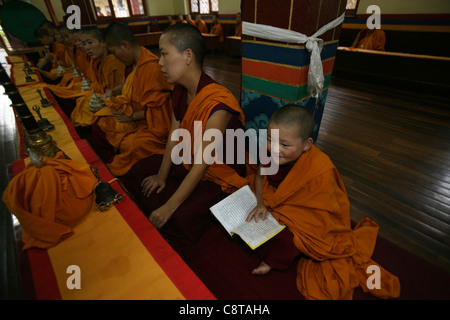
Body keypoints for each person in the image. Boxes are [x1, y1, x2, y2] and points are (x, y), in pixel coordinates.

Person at [245, 105, 400, 300]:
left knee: (291, 241)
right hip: (278, 203)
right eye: (270, 140)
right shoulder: (268, 154)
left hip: (308, 220)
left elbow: (329, 210)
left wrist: (291, 219)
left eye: (284, 145)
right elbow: (259, 177)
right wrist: (260, 203)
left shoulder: (320, 169)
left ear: (307, 145)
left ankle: (272, 262)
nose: (274, 149)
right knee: (257, 220)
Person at [119, 23, 248, 246]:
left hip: (219, 174)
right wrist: (161, 175)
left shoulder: (218, 104)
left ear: (188, 56)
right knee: (140, 169)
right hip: (189, 161)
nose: (159, 63)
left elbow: (203, 163)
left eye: (164, 54)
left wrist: (170, 206)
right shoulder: (179, 90)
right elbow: (174, 136)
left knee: (179, 218)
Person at [88, 23, 173, 178]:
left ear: (124, 45)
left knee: (131, 144)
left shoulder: (151, 68)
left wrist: (131, 117)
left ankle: (112, 170)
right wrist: (112, 91)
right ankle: (104, 158)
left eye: (114, 52)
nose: (114, 57)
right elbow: (128, 83)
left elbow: (160, 114)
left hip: (150, 124)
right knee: (101, 121)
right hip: (133, 113)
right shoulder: (133, 63)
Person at [70, 28, 126, 128]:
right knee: (81, 101)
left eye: (90, 43)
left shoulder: (114, 62)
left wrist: (104, 101)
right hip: (104, 98)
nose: (86, 48)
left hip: (117, 106)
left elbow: (123, 92)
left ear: (103, 42)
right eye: (84, 44)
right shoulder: (98, 61)